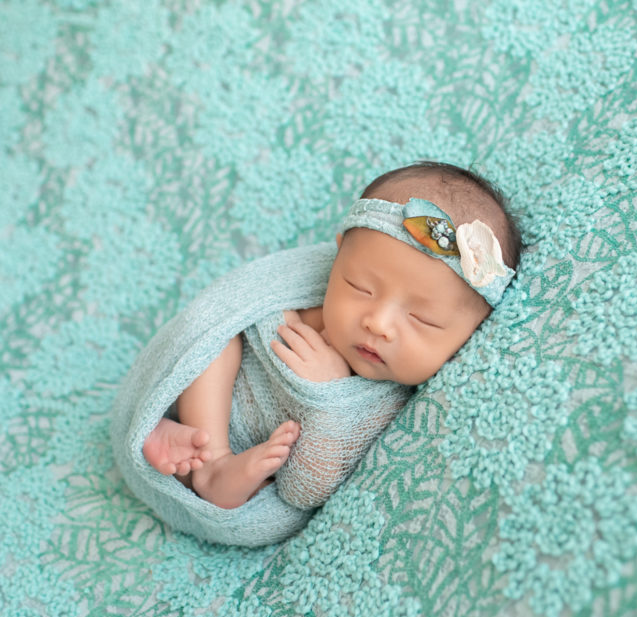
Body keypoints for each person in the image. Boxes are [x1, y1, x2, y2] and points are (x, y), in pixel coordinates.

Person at [142, 162, 522, 510]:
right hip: (208, 407)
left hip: (257, 470)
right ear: (338, 257)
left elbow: (305, 491)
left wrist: (330, 396)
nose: (379, 323)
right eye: (360, 287)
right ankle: (198, 448)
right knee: (218, 339)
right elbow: (233, 308)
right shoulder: (310, 293)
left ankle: (205, 470)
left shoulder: (389, 404)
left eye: (423, 319)